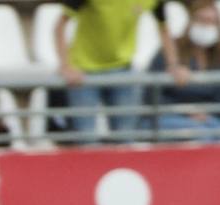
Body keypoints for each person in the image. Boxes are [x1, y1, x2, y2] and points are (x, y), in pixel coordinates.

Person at [55, 0, 184, 141]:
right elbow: (60, 25)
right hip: (84, 71)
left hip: (123, 70)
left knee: (125, 139)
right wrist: (66, 66)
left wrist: (174, 64)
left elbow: (164, 28)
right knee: (86, 139)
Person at [148, 0, 220, 141]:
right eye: (202, 20)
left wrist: (205, 112)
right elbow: (151, 93)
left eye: (212, 22)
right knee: (202, 135)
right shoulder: (171, 52)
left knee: (214, 131)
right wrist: (185, 111)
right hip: (169, 116)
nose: (207, 26)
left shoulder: (216, 57)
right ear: (190, 21)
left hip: (208, 119)